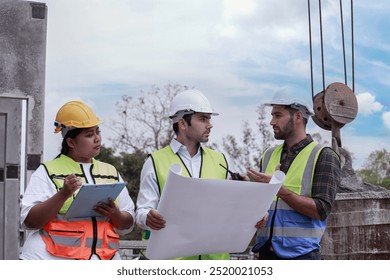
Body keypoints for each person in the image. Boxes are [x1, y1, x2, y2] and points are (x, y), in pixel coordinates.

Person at [136, 89, 261, 260]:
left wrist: (252, 206)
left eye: (209, 119)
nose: (209, 124)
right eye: (203, 119)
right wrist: (148, 218)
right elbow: (141, 211)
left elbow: (232, 208)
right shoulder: (154, 162)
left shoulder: (222, 161)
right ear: (182, 123)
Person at [20, 100, 135, 260]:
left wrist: (116, 215)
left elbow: (128, 223)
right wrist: (63, 194)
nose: (97, 139)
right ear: (71, 142)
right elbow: (29, 221)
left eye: (97, 132)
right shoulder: (47, 171)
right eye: (89, 135)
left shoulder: (110, 171)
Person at [249, 93, 340, 260]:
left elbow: (321, 210)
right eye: (272, 116)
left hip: (301, 256)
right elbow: (261, 202)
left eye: (278, 115)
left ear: (298, 116)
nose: (272, 122)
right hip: (265, 252)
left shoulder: (324, 155)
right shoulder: (268, 155)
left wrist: (280, 190)